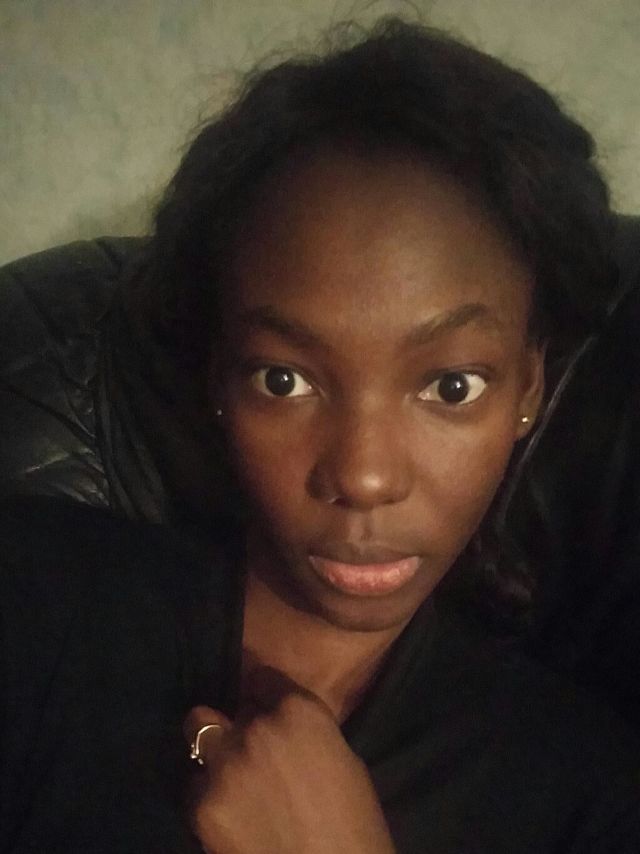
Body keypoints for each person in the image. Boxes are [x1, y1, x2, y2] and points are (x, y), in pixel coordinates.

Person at [1, 17, 639, 854]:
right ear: (218, 379)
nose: (364, 476)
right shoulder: (34, 604)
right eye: (284, 380)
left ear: (529, 390)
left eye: (451, 386)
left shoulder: (587, 797)